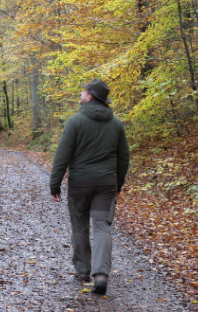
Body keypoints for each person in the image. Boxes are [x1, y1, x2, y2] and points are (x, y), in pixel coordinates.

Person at [49, 78, 130, 295]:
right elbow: (123, 159)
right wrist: (118, 184)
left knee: (80, 226)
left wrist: (54, 183)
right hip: (106, 184)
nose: (81, 94)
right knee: (102, 226)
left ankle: (83, 272)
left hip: (80, 185)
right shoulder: (116, 123)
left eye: (83, 91)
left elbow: (62, 156)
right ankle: (101, 275)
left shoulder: (75, 121)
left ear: (90, 97)